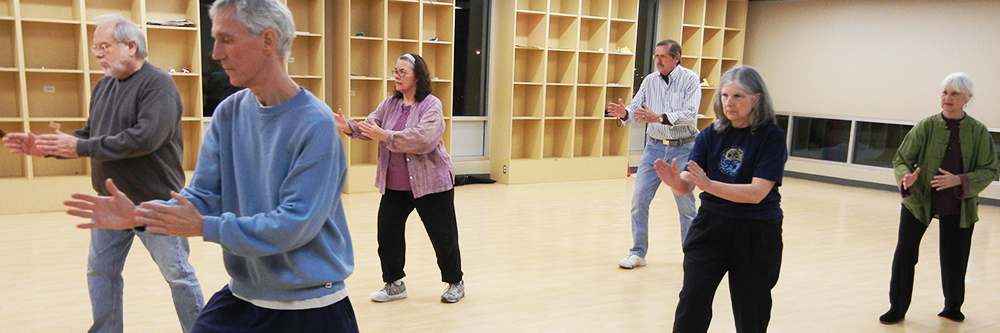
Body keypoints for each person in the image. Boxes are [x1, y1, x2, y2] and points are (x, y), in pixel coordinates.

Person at [63, 0, 359, 331]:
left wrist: (205, 226)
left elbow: (293, 224)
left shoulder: (315, 123)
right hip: (244, 296)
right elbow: (203, 193)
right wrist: (139, 216)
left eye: (226, 39)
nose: (215, 53)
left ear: (267, 41)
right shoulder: (229, 112)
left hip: (311, 306)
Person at [3, 14, 204, 333]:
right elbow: (91, 133)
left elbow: (145, 138)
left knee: (178, 277)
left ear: (131, 46)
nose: (97, 53)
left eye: (104, 46)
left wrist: (79, 148)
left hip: (157, 203)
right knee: (101, 273)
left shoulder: (159, 85)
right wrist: (49, 146)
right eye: (95, 47)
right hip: (109, 203)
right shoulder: (104, 86)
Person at [655, 65, 786, 332]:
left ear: (756, 99)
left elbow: (757, 193)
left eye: (738, 96)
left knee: (751, 307)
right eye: (725, 95)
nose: (729, 102)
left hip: (755, 231)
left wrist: (709, 184)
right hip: (711, 227)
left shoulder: (771, 138)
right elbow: (688, 185)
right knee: (692, 300)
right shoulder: (710, 134)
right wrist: (675, 183)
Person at [334, 53, 465, 303]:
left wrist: (386, 135)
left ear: (417, 76)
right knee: (387, 235)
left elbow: (424, 138)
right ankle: (394, 284)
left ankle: (455, 281)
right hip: (395, 185)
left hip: (432, 184)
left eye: (402, 72)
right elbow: (372, 127)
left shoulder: (431, 105)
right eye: (395, 71)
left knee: (443, 236)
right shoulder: (389, 105)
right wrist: (349, 126)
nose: (397, 76)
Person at [879, 72, 998, 325]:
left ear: (967, 98)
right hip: (919, 201)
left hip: (958, 204)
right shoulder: (926, 125)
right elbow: (901, 160)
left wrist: (960, 180)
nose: (948, 98)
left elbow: (989, 169)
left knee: (955, 257)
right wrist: (906, 178)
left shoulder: (978, 132)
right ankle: (896, 308)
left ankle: (953, 307)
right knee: (905, 255)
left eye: (954, 94)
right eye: (945, 92)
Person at [606, 39, 700, 269]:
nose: (658, 60)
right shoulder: (650, 80)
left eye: (663, 57)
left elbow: (689, 114)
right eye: (656, 56)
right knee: (639, 201)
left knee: (686, 206)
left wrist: (658, 117)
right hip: (654, 148)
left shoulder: (690, 79)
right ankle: (638, 252)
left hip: (683, 148)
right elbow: (636, 109)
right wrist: (624, 113)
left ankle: (693, 256)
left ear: (677, 58)